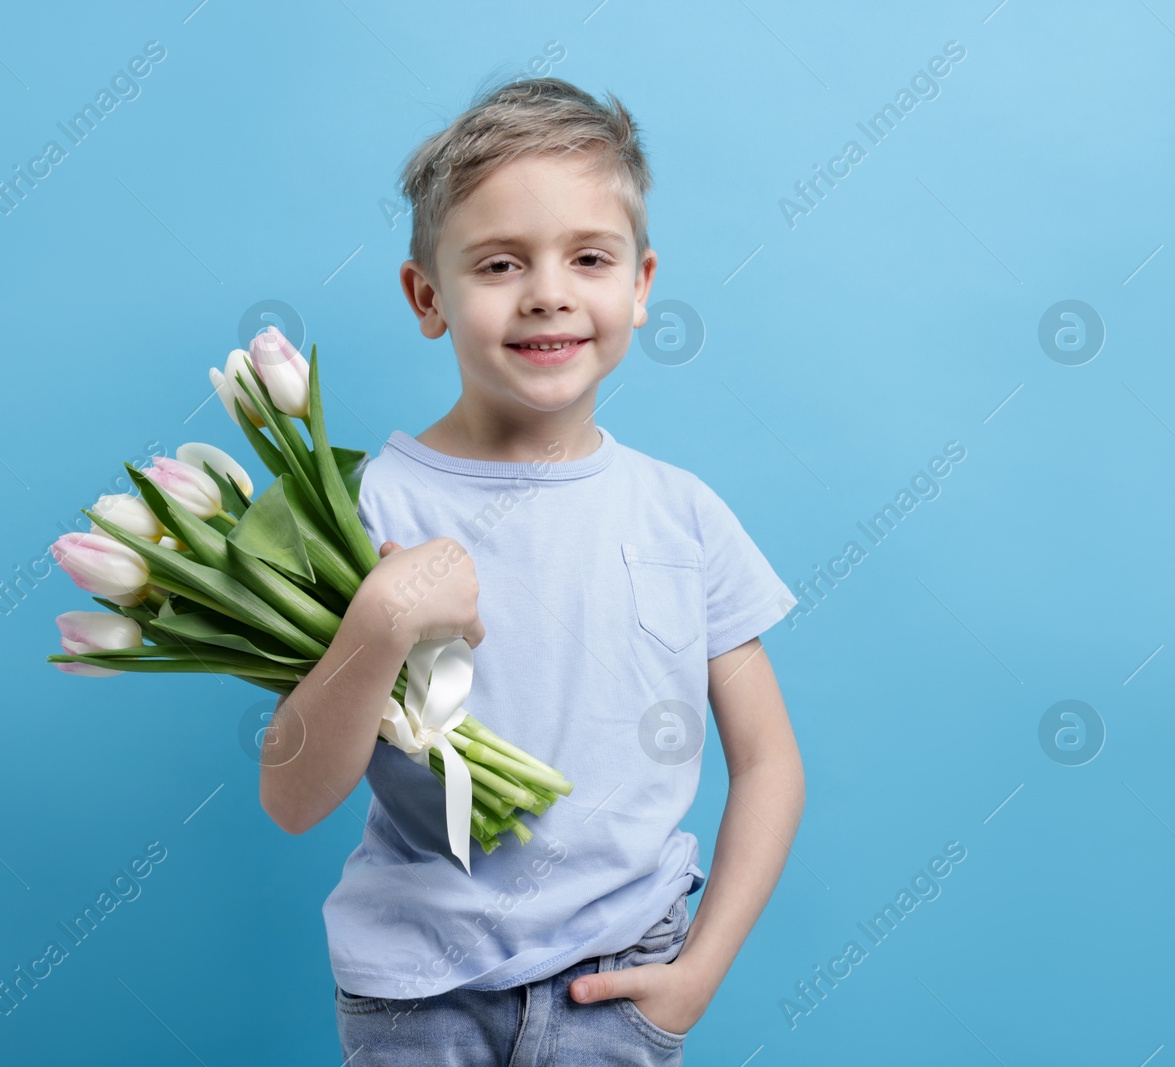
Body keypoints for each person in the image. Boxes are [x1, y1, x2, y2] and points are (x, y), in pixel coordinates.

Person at [259, 74, 804, 1065]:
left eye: (587, 257)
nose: (548, 290)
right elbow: (292, 798)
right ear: (427, 296)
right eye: (500, 263)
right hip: (416, 988)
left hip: (618, 978)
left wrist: (697, 973)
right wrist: (377, 623)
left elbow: (769, 760)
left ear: (639, 286)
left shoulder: (681, 513)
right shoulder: (366, 513)